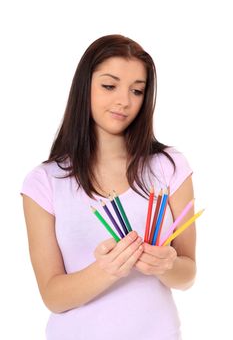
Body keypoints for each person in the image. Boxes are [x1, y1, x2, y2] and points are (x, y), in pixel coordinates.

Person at [21, 34, 196, 340]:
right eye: (109, 85)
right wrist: (106, 270)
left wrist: (166, 265)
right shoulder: (44, 181)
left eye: (137, 91)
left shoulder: (169, 166)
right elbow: (52, 295)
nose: (124, 101)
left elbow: (188, 274)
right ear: (84, 86)